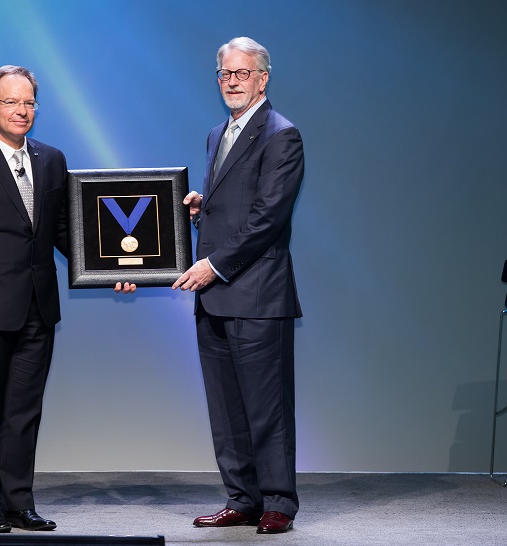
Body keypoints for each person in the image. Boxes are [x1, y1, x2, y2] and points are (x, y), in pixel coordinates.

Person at [0, 65, 133, 534]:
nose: (21, 111)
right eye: (11, 102)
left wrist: (111, 271)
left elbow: (65, 233)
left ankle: (18, 503)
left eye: (29, 103)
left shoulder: (51, 159)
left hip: (38, 310)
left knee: (23, 413)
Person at [172, 37, 305, 535]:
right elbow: (240, 204)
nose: (231, 81)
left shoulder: (281, 135)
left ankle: (278, 503)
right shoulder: (217, 133)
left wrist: (212, 265)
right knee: (226, 406)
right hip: (218, 296)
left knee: (266, 408)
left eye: (242, 73)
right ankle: (242, 498)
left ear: (262, 78)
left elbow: (268, 217)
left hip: (257, 293)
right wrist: (203, 207)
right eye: (224, 73)